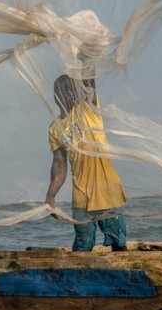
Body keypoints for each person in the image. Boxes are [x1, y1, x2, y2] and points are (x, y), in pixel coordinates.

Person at [44, 74, 128, 252]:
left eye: (65, 91)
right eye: (57, 92)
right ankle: (80, 278)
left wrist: (85, 54)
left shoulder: (89, 109)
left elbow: (89, 78)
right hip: (81, 193)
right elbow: (59, 165)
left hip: (107, 189)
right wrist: (50, 197)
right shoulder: (55, 127)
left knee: (118, 243)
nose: (61, 95)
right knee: (83, 244)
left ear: (74, 93)